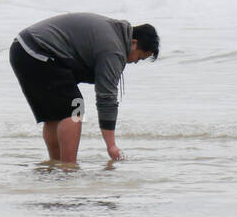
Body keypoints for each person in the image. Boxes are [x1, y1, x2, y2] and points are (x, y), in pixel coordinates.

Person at [9, 12, 158, 163]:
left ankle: (56, 165)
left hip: (22, 48)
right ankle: (69, 168)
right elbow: (106, 97)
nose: (135, 62)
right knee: (75, 108)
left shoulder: (113, 33)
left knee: (54, 116)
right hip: (38, 51)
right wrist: (111, 146)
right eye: (139, 57)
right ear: (133, 43)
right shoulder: (113, 48)